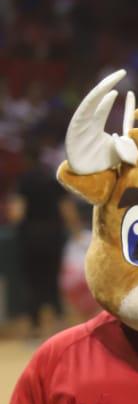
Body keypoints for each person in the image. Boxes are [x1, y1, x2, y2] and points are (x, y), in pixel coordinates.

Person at [9, 137, 73, 336]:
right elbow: (66, 208)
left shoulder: (23, 181)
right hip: (53, 237)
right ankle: (59, 324)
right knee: (52, 280)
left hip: (30, 238)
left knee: (32, 281)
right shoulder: (51, 178)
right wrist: (77, 232)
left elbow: (17, 213)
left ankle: (35, 327)